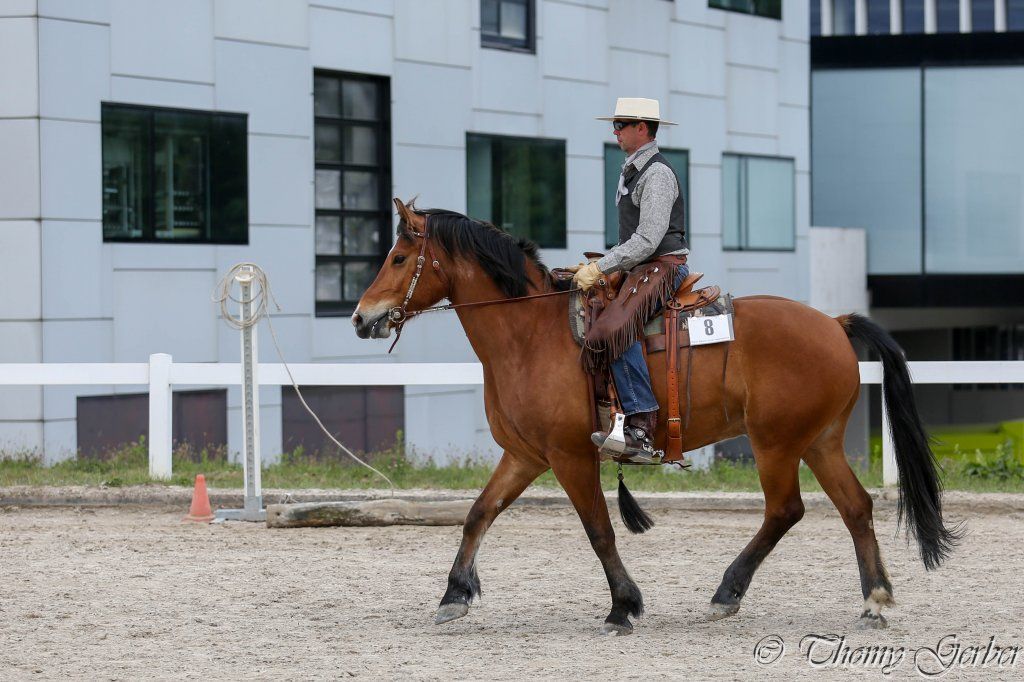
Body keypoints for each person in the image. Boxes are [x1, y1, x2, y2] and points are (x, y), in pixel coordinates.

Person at [572, 97, 689, 460]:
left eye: (621, 124)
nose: (615, 130)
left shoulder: (656, 174)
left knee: (613, 328)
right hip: (642, 265)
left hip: (663, 265)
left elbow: (648, 239)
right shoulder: (632, 169)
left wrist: (602, 266)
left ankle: (640, 426)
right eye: (616, 124)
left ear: (643, 128)